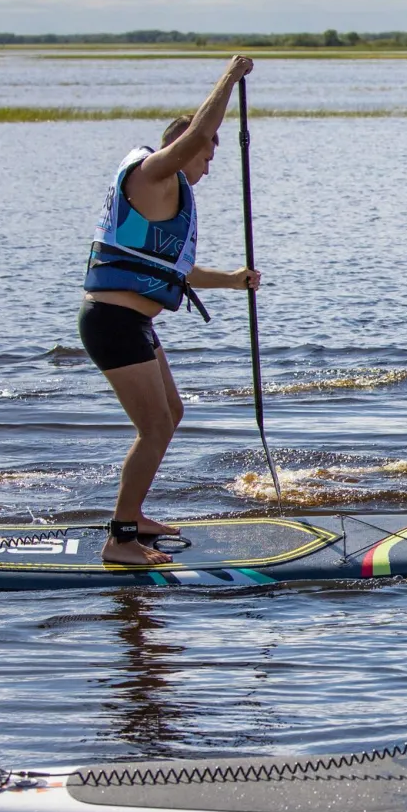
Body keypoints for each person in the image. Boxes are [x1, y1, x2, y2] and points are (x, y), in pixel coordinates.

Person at [79, 55, 262, 567]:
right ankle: (118, 539)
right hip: (111, 322)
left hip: (132, 321)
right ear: (186, 149)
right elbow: (198, 130)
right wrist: (231, 77)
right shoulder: (151, 172)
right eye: (206, 157)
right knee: (154, 426)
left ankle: (134, 517)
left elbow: (175, 269)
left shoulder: (170, 196)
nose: (207, 167)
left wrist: (232, 279)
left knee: (171, 415)